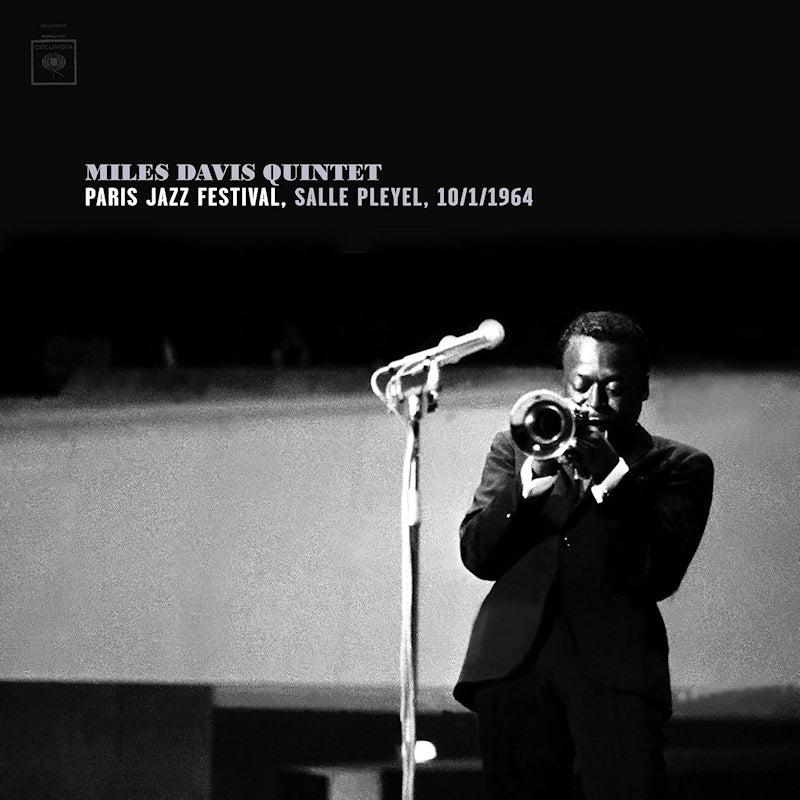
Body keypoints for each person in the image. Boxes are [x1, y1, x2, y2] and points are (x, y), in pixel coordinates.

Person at [453, 310, 714, 799]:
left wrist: (613, 479)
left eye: (613, 387)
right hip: (513, 663)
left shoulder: (681, 465)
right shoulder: (516, 447)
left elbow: (659, 573)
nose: (594, 403)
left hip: (617, 666)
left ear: (644, 388)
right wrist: (531, 483)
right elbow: (478, 555)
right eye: (581, 385)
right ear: (563, 382)